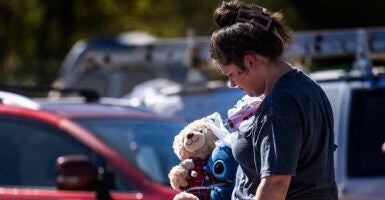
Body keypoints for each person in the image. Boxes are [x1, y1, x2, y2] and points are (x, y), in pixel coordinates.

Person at [209, 1, 339, 199]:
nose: (232, 84)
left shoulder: (279, 106)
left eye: (231, 75)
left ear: (250, 61)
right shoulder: (308, 88)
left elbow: (275, 185)